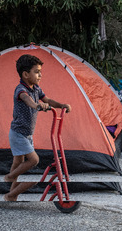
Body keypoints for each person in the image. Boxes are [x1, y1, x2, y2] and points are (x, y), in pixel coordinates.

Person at [4, 54, 71, 201]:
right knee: (34, 160)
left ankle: (11, 195)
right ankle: (10, 185)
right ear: (26, 74)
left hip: (27, 134)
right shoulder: (20, 89)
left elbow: (48, 100)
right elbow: (26, 99)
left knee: (18, 163)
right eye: (37, 72)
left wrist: (61, 106)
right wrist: (37, 105)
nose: (40, 75)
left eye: (40, 72)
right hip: (18, 133)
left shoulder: (37, 89)